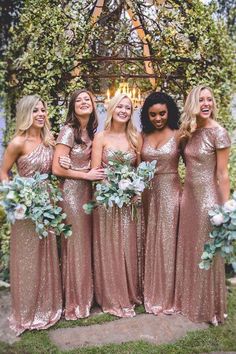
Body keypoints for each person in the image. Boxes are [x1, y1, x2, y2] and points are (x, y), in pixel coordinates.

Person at [0, 95, 62, 335]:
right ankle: (26, 310)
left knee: (46, 252)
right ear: (27, 114)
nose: (40, 114)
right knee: (27, 256)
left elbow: (56, 170)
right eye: (35, 110)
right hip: (26, 207)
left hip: (47, 203)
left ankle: (47, 306)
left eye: (43, 110)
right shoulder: (18, 142)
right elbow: (3, 173)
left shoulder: (49, 141)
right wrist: (16, 196)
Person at [175, 85, 231, 324]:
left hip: (208, 201)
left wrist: (225, 208)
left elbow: (223, 174)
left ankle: (209, 306)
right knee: (190, 248)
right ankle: (188, 300)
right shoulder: (189, 131)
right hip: (189, 199)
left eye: (209, 99)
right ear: (193, 104)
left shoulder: (219, 133)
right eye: (201, 100)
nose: (206, 104)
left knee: (206, 250)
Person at [52, 89, 104, 320]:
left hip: (87, 194)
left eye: (88, 99)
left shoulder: (91, 132)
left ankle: (87, 295)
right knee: (77, 245)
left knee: (86, 244)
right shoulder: (68, 131)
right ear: (73, 107)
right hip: (72, 195)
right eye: (79, 100)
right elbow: (57, 168)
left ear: (93, 105)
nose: (84, 102)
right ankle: (76, 301)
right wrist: (86, 175)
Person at [91, 93, 143, 317]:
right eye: (120, 106)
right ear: (112, 109)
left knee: (128, 245)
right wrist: (113, 189)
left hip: (129, 201)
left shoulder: (135, 137)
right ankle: (112, 296)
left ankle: (130, 293)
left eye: (128, 108)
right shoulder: (100, 137)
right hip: (107, 200)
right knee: (110, 246)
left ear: (131, 113)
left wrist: (133, 190)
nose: (123, 110)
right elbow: (95, 171)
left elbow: (139, 170)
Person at [140, 91, 181, 315]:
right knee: (148, 239)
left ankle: (168, 294)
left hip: (171, 192)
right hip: (147, 193)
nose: (158, 118)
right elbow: (134, 166)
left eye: (162, 113)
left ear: (169, 112)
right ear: (147, 115)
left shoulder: (179, 134)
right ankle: (149, 290)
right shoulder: (141, 136)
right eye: (153, 114)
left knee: (167, 242)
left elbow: (195, 160)